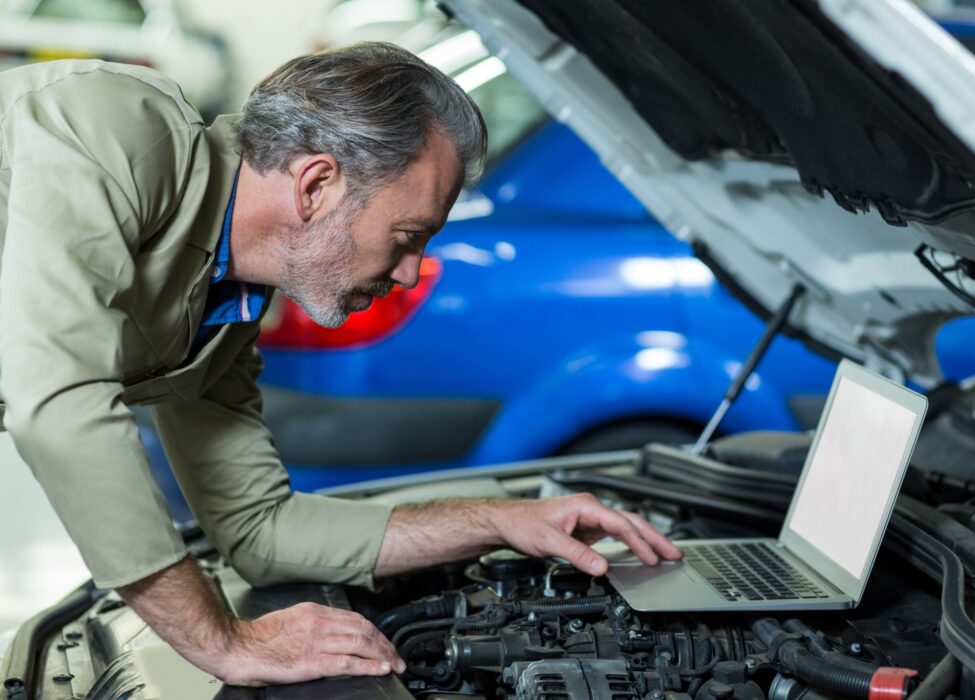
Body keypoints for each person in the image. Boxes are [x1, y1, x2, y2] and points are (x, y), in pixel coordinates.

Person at [0, 43, 682, 686]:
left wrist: (501, 519)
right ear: (317, 185)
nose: (412, 273)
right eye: (408, 236)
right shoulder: (112, 129)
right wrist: (223, 641)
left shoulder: (225, 316)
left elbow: (262, 530)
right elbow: (60, 403)